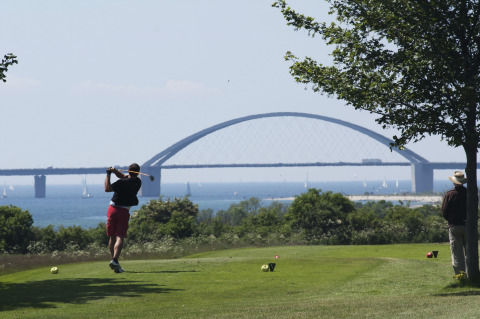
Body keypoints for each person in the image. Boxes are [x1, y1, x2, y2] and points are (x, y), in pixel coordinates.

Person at [105, 163, 142, 273]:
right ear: (138, 172)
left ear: (128, 171)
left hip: (112, 209)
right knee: (120, 237)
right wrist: (115, 171)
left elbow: (107, 189)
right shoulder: (138, 182)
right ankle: (115, 260)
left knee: (112, 237)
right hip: (124, 211)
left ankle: (114, 261)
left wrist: (108, 174)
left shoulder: (121, 182)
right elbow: (124, 176)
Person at [441, 171, 468, 275]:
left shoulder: (450, 194)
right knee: (470, 253)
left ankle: (460, 276)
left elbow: (444, 211)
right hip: (468, 225)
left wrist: (451, 220)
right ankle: (472, 274)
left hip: (454, 226)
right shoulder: (469, 193)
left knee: (457, 253)